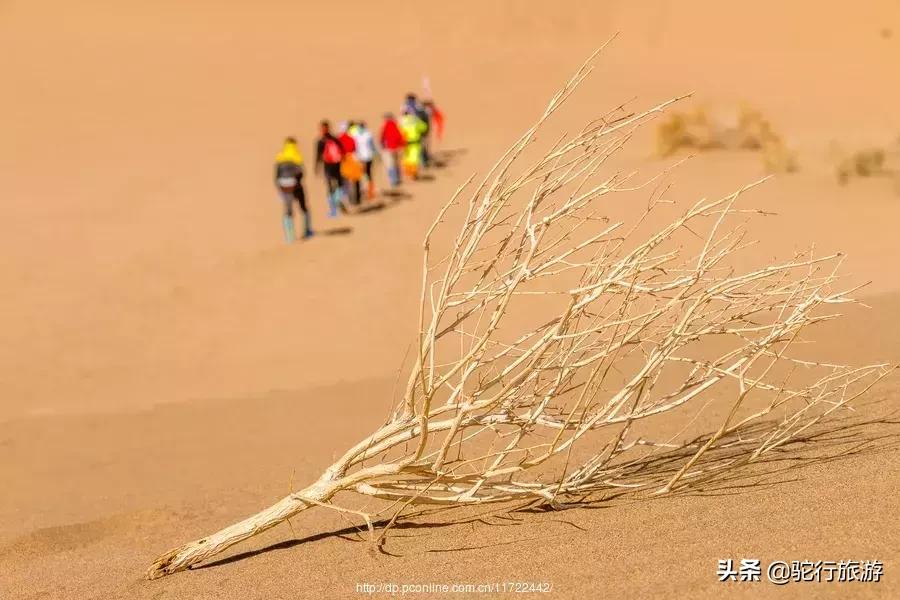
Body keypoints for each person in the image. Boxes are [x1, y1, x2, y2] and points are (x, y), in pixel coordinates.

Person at [274, 137, 312, 242]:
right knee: (303, 207)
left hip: (283, 186)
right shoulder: (296, 155)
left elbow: (276, 175)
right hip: (295, 184)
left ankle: (289, 236)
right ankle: (307, 231)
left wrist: (279, 188)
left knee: (287, 210)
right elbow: (301, 173)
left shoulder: (280, 156)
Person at [315, 120, 347, 217]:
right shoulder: (335, 139)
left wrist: (316, 167)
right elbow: (342, 151)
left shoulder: (320, 141)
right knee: (339, 184)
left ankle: (333, 209)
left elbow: (318, 156)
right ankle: (337, 200)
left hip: (328, 167)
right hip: (336, 165)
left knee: (330, 187)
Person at [350, 120, 377, 200]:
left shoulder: (360, 134)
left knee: (366, 174)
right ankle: (366, 191)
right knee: (365, 175)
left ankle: (369, 191)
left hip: (365, 157)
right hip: (361, 158)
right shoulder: (362, 134)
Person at [398, 108, 428, 180]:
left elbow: (398, 132)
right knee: (414, 158)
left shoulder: (401, 121)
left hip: (405, 143)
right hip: (415, 142)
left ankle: (409, 173)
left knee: (406, 159)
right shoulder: (415, 120)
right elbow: (424, 127)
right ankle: (413, 174)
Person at [379, 112, 405, 187]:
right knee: (396, 163)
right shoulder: (397, 124)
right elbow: (401, 136)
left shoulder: (385, 125)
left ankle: (393, 180)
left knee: (390, 164)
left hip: (389, 148)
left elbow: (381, 137)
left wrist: (382, 146)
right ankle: (397, 178)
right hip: (397, 148)